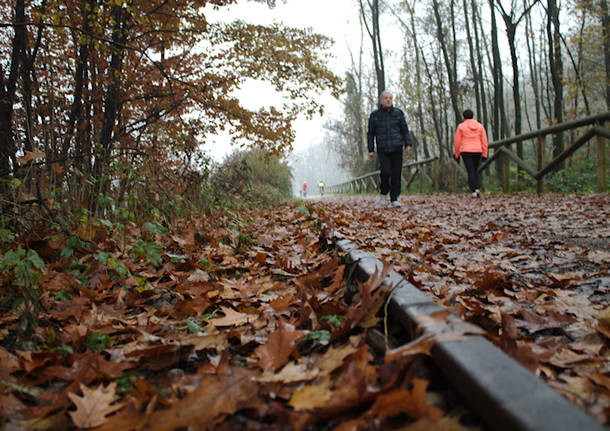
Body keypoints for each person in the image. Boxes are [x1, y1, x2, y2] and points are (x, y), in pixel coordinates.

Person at [367, 91, 412, 207]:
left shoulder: (398, 113)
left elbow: (405, 130)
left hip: (397, 148)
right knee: (385, 172)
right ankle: (383, 195)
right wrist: (371, 149)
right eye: (386, 98)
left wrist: (408, 143)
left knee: (396, 174)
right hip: (383, 149)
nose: (388, 100)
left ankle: (394, 199)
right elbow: (371, 133)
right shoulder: (375, 115)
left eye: (390, 98)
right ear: (381, 100)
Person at [454, 109, 488, 197]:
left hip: (466, 151)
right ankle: (477, 188)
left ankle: (474, 190)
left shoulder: (461, 126)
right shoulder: (480, 126)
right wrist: (485, 154)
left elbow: (457, 141)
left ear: (464, 116)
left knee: (470, 170)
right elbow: (484, 140)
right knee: (475, 170)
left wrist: (457, 155)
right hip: (477, 151)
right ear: (473, 116)